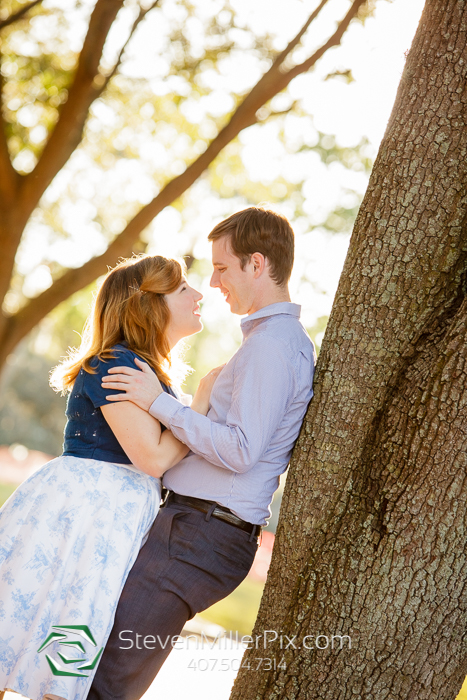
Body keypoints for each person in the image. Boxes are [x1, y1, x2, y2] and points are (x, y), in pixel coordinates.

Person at [87, 206, 317, 700]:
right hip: (194, 529)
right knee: (104, 672)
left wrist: (161, 405)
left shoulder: (272, 347)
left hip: (202, 533)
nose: (213, 283)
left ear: (257, 264)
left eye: (222, 268)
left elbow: (240, 451)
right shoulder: (266, 343)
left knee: (109, 682)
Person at [0, 254, 221, 700]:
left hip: (112, 512)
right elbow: (153, 458)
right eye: (183, 290)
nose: (199, 295)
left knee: (70, 626)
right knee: (43, 621)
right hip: (87, 510)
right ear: (148, 305)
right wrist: (198, 408)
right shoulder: (115, 363)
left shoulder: (147, 371)